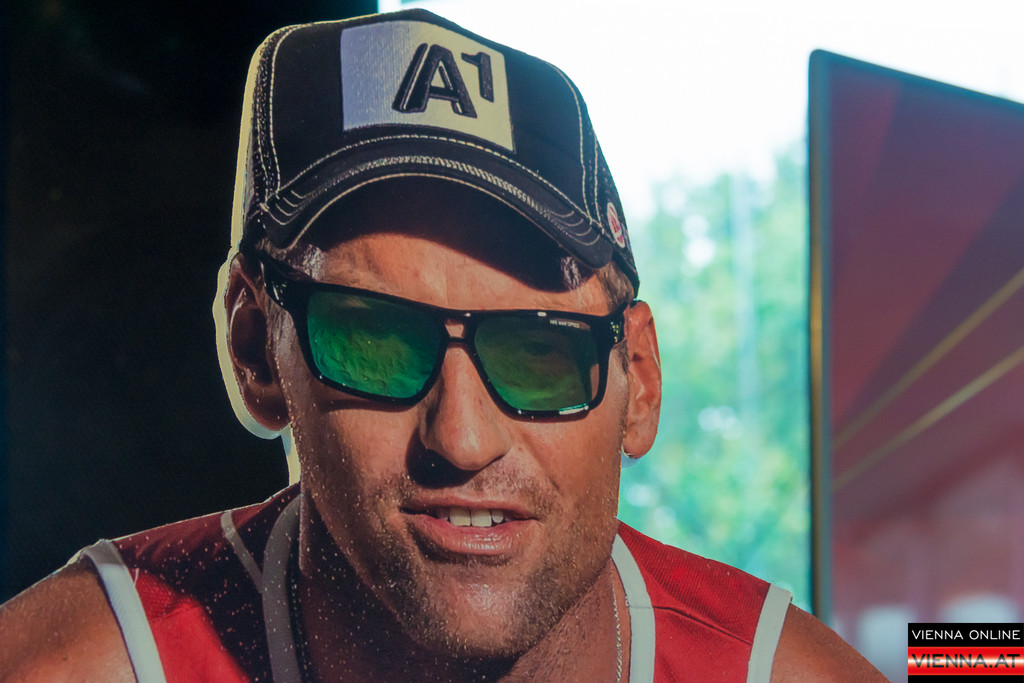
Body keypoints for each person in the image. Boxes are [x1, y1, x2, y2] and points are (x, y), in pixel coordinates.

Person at [0, 9, 887, 682]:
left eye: (539, 352)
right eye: (375, 340)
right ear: (256, 349)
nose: (462, 438)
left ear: (641, 383)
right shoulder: (88, 662)